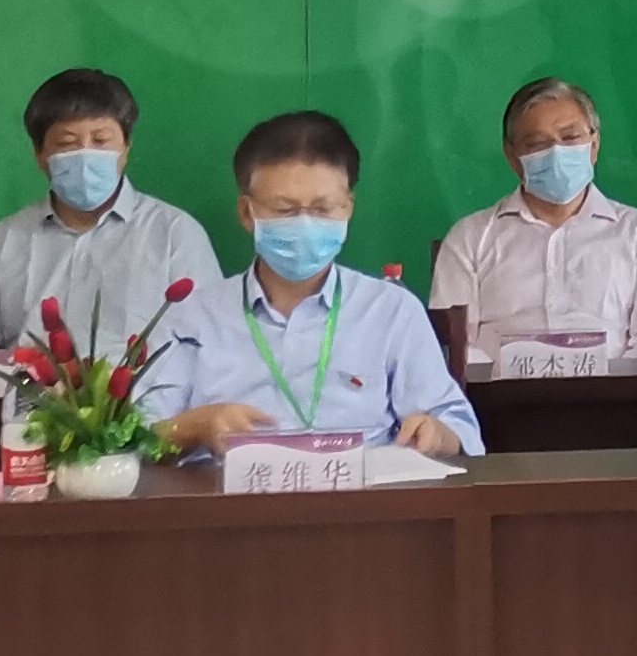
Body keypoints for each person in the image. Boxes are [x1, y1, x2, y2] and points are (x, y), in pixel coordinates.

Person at [143, 110, 481, 458]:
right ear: (246, 213)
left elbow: (459, 429)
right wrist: (196, 426)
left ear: (348, 208)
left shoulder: (391, 310)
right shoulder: (191, 318)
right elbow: (137, 439)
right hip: (226, 489)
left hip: (363, 488)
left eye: (323, 209)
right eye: (285, 210)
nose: (305, 224)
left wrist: (437, 434)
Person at [0, 68, 224, 371]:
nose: (86, 155)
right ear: (39, 155)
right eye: (67, 143)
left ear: (126, 148)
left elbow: (210, 345)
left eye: (101, 140)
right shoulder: (1, 242)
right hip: (28, 399)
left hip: (147, 400)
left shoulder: (175, 234)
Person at [430, 77, 637, 367]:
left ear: (594, 145)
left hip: (614, 393)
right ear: (512, 157)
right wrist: (504, 382)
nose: (556, 152)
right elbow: (452, 343)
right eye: (537, 143)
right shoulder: (470, 238)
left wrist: (613, 387)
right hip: (496, 394)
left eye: (570, 138)